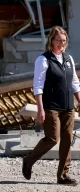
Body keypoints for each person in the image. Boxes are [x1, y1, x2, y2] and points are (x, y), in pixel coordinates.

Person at [22, 26, 80, 185]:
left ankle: (62, 176)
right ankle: (28, 160)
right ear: (51, 41)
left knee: (68, 139)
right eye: (58, 40)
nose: (61, 43)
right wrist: (40, 109)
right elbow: (38, 85)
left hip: (68, 106)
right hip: (51, 106)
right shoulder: (44, 59)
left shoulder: (68, 59)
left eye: (64, 40)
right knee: (53, 138)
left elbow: (75, 83)